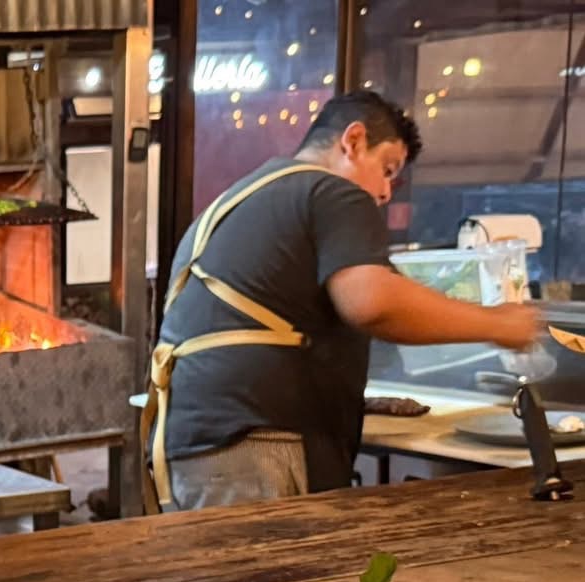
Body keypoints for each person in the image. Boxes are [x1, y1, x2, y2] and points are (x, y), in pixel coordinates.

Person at [144, 91, 541, 512]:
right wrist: (500, 325)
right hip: (256, 439)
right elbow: (372, 302)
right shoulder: (333, 191)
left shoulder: (240, 198)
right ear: (352, 141)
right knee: (277, 578)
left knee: (229, 579)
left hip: (193, 440)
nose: (386, 192)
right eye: (387, 170)